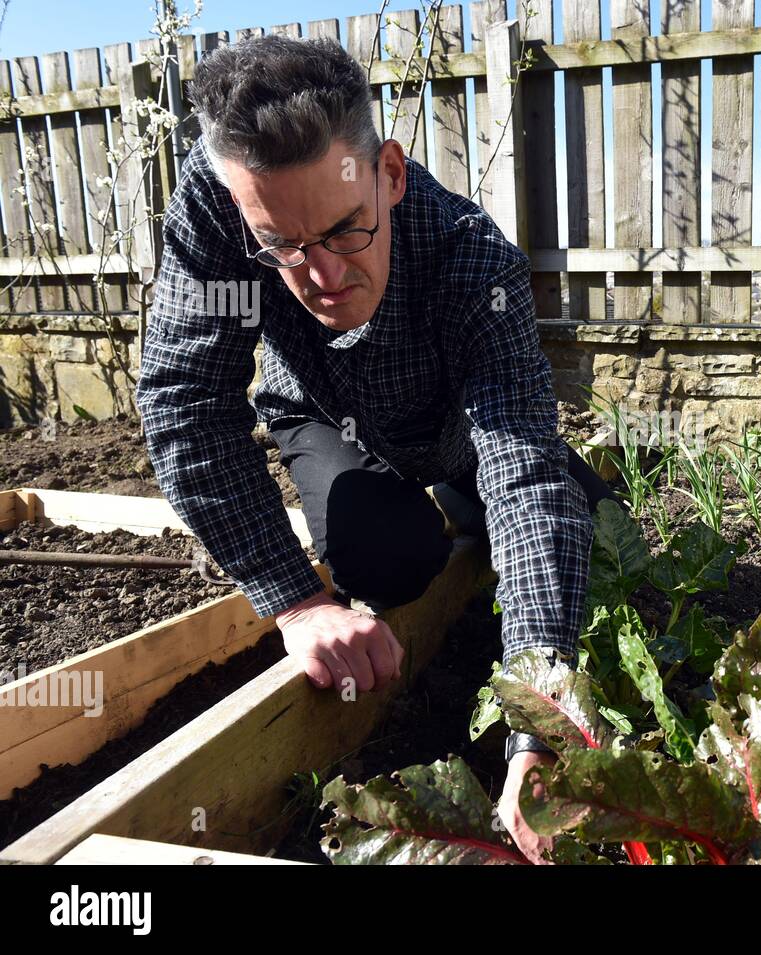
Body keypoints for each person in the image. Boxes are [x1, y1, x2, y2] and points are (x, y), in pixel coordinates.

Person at [135, 34, 609, 863]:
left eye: (345, 232)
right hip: (321, 413)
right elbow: (185, 404)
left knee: (584, 532)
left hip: (460, 425)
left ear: (388, 173)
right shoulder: (216, 215)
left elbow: (525, 468)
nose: (321, 276)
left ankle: (469, 500)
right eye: (282, 246)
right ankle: (429, 516)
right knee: (385, 559)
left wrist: (539, 718)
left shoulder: (470, 258)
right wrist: (295, 601)